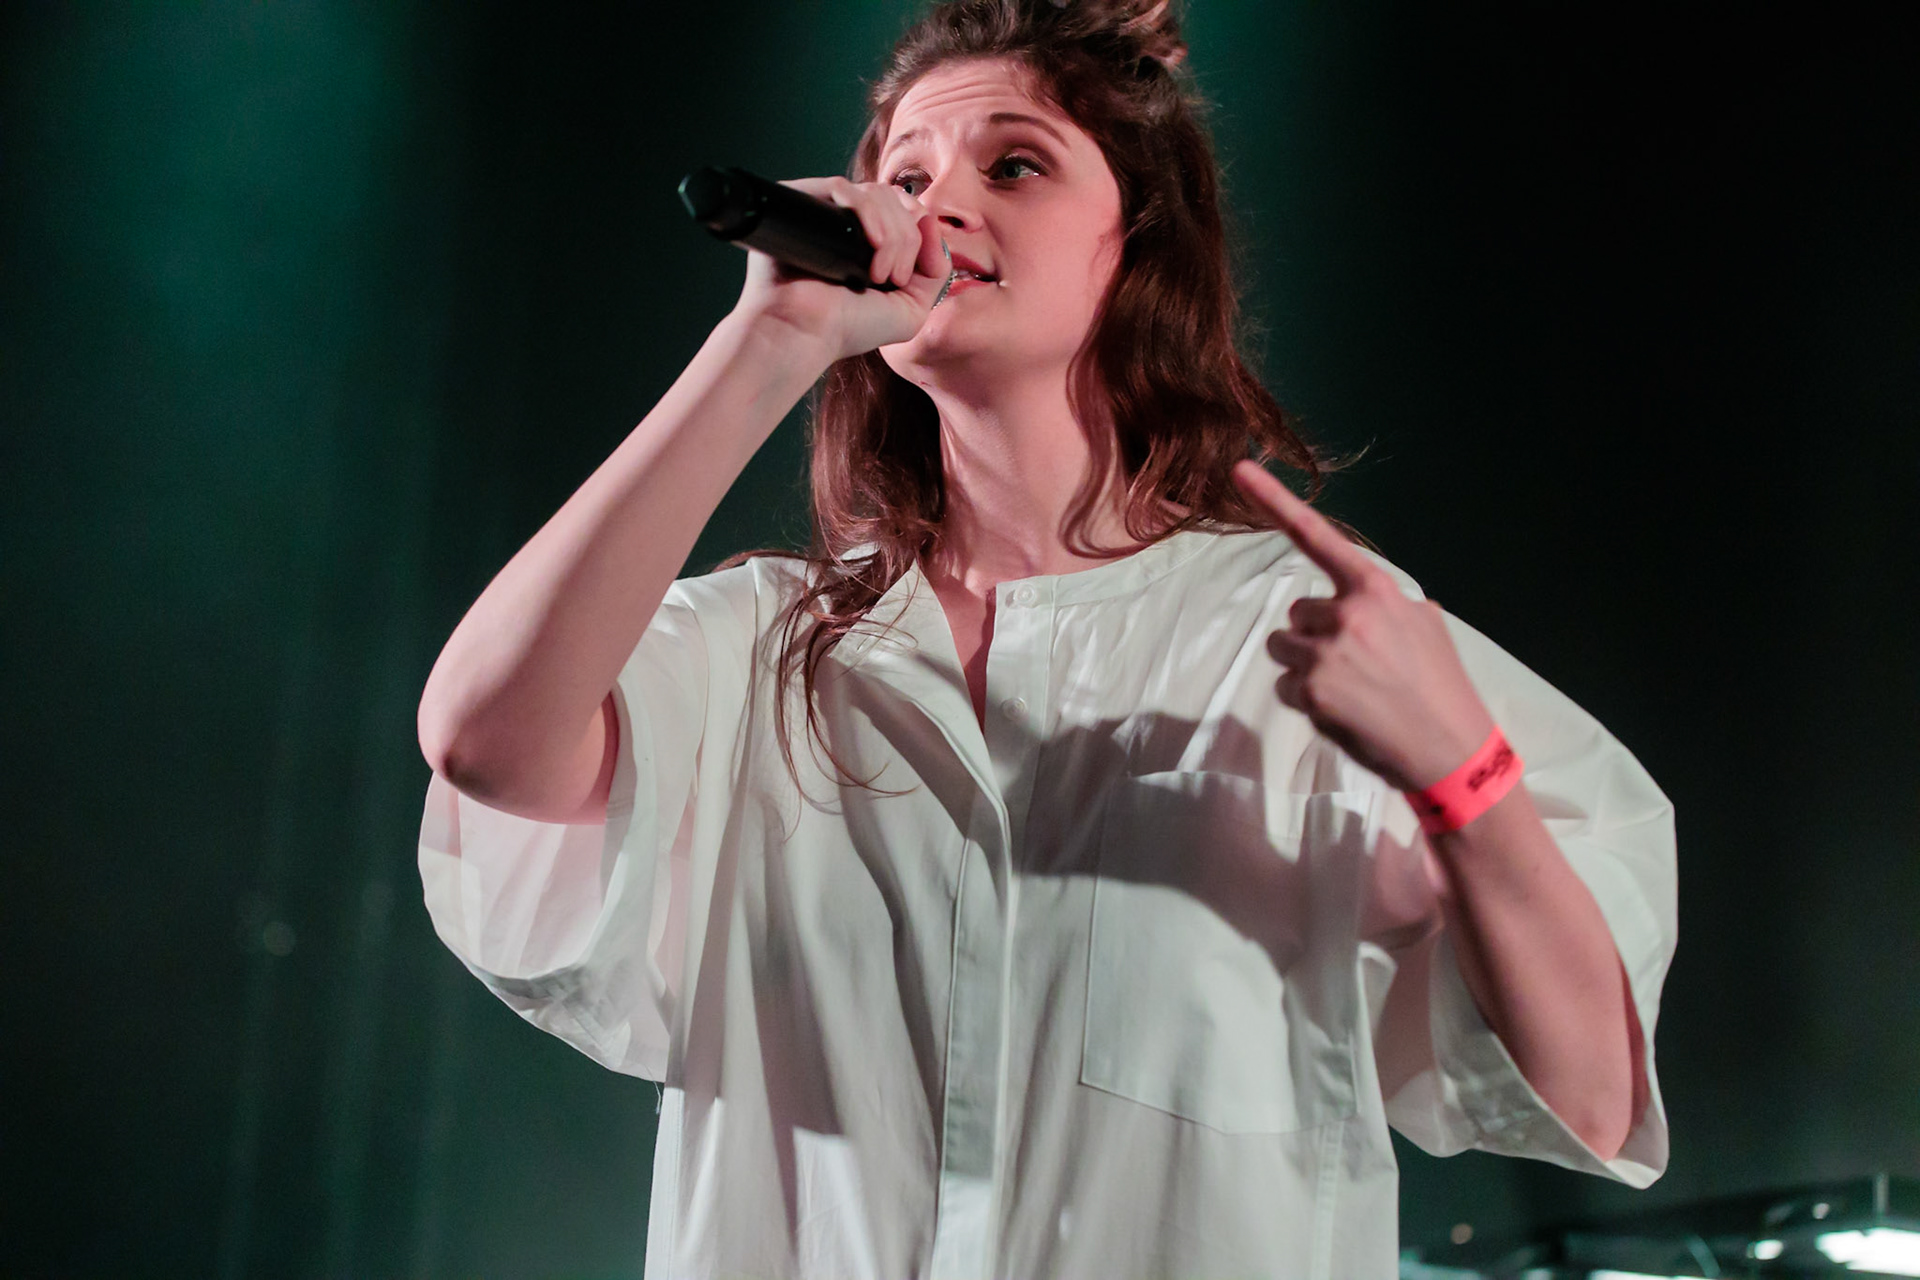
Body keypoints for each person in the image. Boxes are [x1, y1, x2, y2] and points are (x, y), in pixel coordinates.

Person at [414, 1, 1676, 1275]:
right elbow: (485, 744)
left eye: (1012, 164)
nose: (938, 202)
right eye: (905, 177)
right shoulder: (762, 644)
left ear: (1135, 249)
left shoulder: (1309, 634)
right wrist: (768, 341)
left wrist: (1462, 772)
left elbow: (1590, 1090)